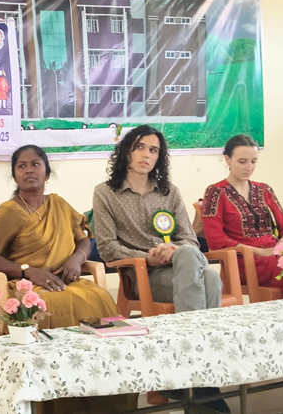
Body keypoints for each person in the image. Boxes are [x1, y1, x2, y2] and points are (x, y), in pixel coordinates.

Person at [0, 145, 135, 414]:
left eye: (36, 164)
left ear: (47, 173)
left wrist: (76, 259)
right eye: (22, 166)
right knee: (51, 306)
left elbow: (83, 240)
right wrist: (27, 271)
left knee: (99, 297)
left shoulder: (59, 205)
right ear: (14, 176)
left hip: (65, 280)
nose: (29, 170)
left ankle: (102, 395)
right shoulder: (6, 213)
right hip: (25, 285)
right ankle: (58, 403)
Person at [92, 125, 229, 413]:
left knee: (195, 261)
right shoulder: (105, 193)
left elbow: (189, 239)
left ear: (159, 157)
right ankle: (205, 376)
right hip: (145, 275)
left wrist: (173, 250)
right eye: (140, 147)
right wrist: (148, 257)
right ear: (126, 151)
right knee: (211, 280)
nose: (146, 154)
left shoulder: (170, 191)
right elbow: (106, 247)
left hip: (181, 267)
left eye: (153, 150)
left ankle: (190, 374)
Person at [202, 134, 283, 290]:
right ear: (227, 159)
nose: (249, 167)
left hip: (275, 257)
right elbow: (215, 239)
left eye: (253, 161)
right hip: (243, 262)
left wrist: (282, 244)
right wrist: (260, 252)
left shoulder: (265, 189)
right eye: (242, 161)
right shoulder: (215, 192)